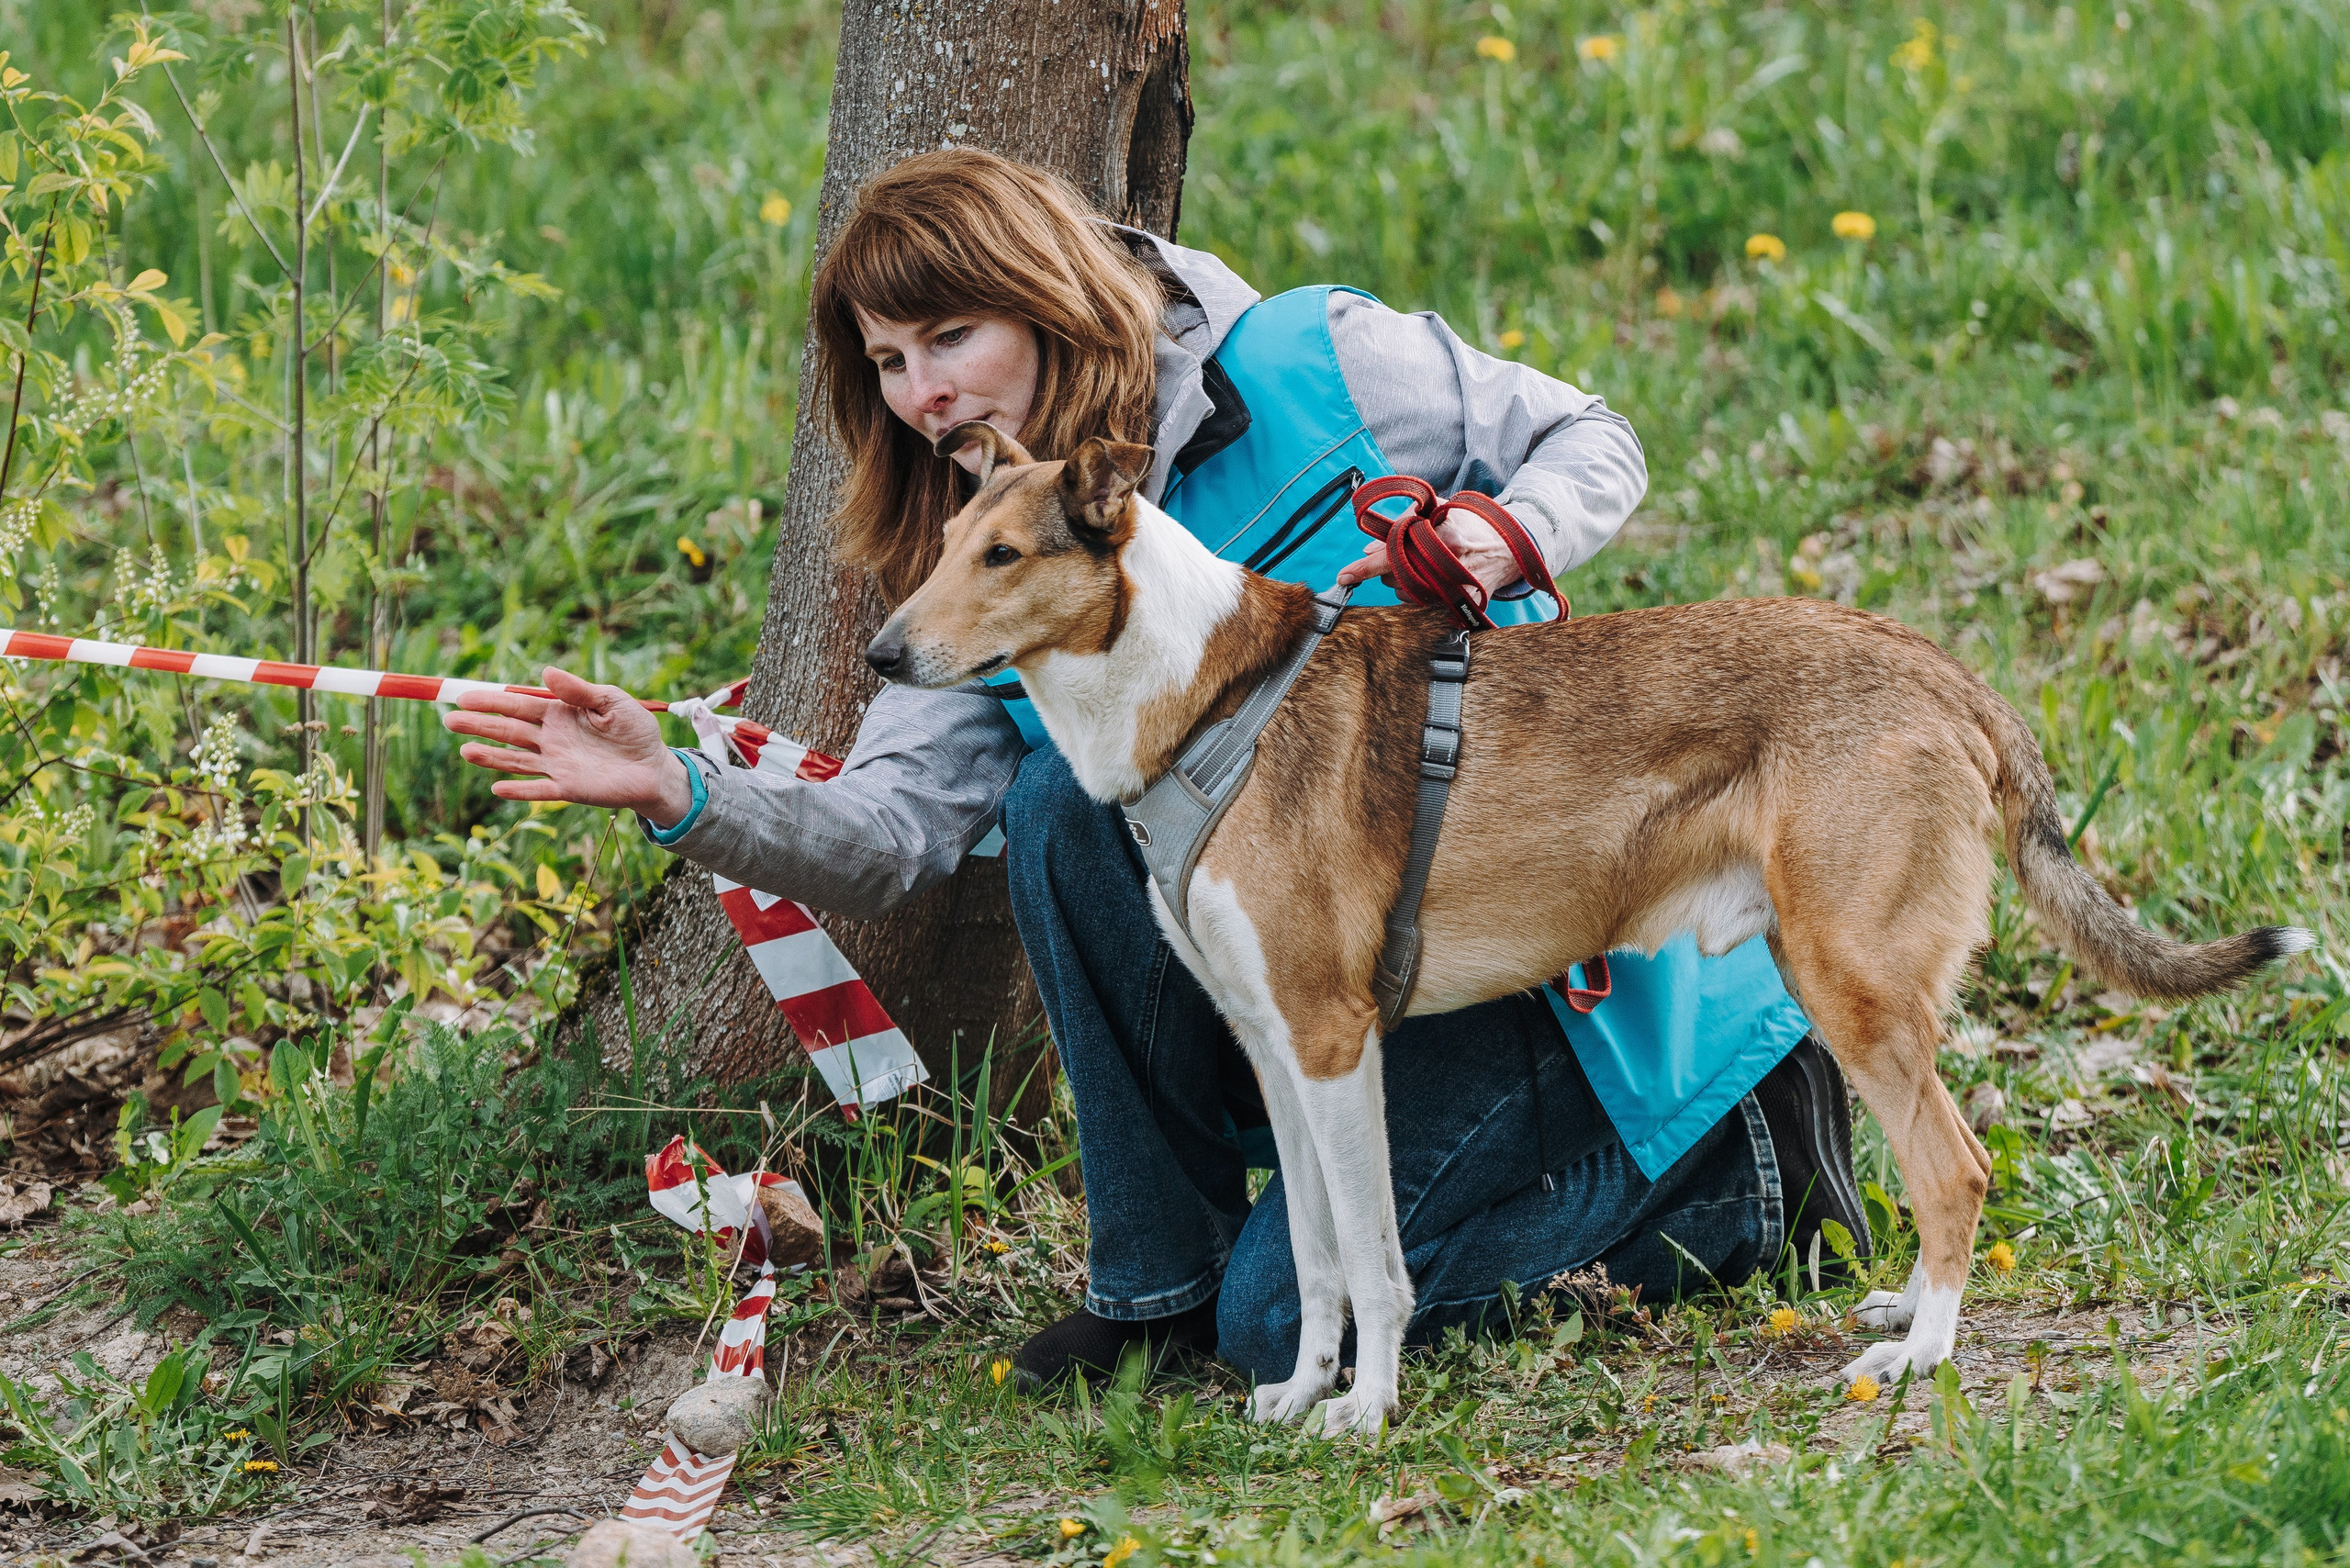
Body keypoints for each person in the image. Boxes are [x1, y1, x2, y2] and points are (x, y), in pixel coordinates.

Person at [443, 151, 1868, 1394]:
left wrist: (1508, 531)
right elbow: (891, 833)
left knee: (1279, 1330)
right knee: (1062, 800)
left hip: (1549, 959)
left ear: (1045, 294)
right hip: (1335, 984)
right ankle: (1157, 1284)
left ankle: (1742, 1171)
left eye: (950, 337)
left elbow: (1592, 437)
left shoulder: (1314, 364)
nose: (922, 392)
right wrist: (680, 791)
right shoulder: (987, 554)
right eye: (886, 361)